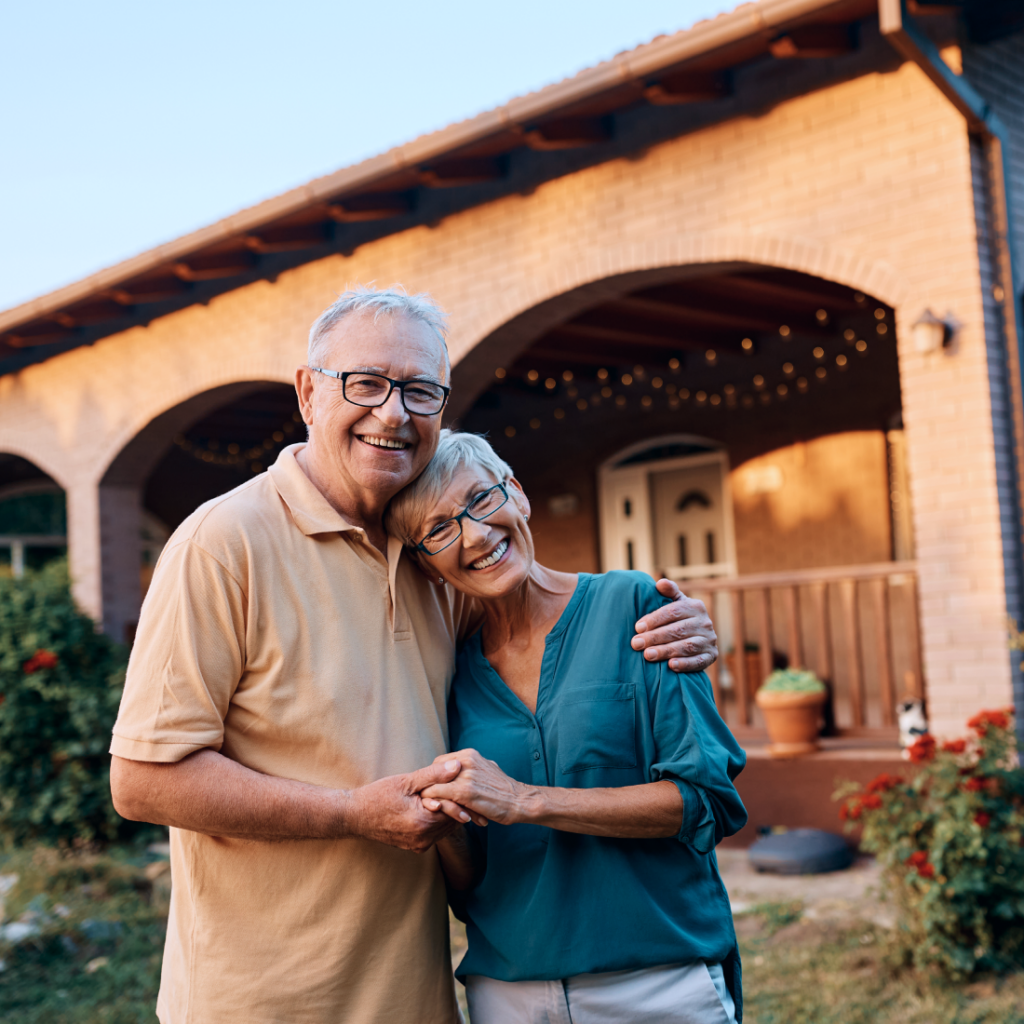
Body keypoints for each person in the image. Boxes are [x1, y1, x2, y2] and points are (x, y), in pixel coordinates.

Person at [108, 287, 720, 1024]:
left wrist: (675, 620)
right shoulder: (223, 543)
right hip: (265, 999)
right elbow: (143, 781)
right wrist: (349, 814)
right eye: (364, 383)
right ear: (308, 393)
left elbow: (534, 609)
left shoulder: (432, 557)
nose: (393, 412)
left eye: (420, 391)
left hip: (416, 993)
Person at [385, 429, 747, 1024]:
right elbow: (472, 875)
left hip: (657, 981)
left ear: (518, 495)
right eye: (439, 530)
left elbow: (706, 802)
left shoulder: (634, 606)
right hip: (510, 990)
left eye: (481, 500)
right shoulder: (450, 672)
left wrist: (525, 800)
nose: (476, 535)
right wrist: (442, 820)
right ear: (425, 563)